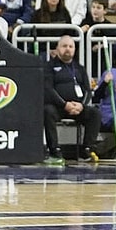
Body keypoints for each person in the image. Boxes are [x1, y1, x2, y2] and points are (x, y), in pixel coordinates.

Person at [43, 35, 101, 164]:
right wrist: (64, 104)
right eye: (64, 46)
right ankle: (54, 151)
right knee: (47, 111)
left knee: (94, 113)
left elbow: (87, 90)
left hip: (77, 107)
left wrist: (81, 105)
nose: (67, 49)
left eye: (70, 46)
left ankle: (87, 150)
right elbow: (48, 90)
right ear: (57, 49)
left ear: (74, 49)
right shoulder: (49, 67)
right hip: (58, 107)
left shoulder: (79, 68)